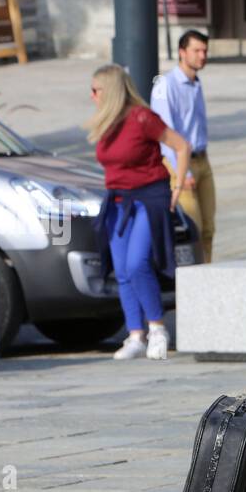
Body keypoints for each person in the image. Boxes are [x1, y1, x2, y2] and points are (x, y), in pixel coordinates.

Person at [86, 64, 191, 360]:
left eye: (96, 90)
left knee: (137, 264)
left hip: (149, 198)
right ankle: (135, 335)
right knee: (121, 270)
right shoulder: (106, 122)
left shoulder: (142, 117)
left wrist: (177, 186)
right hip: (118, 200)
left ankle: (157, 328)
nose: (92, 96)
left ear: (110, 91)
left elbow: (181, 146)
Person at [150, 30, 216, 262]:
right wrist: (182, 171)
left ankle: (207, 276)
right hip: (180, 165)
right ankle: (193, 284)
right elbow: (164, 133)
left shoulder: (196, 83)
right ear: (181, 52)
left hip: (202, 160)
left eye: (205, 51)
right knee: (193, 229)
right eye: (196, 50)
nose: (202, 56)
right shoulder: (165, 85)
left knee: (208, 228)